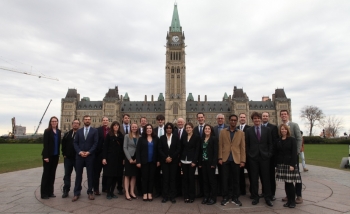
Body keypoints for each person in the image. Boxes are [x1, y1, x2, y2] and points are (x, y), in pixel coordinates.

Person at [245, 112, 273, 207]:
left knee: (265, 178)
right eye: (255, 119)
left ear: (260, 119)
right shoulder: (249, 130)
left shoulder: (267, 130)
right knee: (254, 178)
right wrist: (249, 155)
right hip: (253, 158)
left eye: (258, 118)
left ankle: (267, 197)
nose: (256, 120)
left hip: (264, 157)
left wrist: (269, 154)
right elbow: (247, 144)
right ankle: (255, 197)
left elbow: (270, 143)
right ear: (252, 120)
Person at [218, 114, 245, 206]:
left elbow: (242, 148)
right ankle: (225, 197)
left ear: (236, 121)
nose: (233, 122)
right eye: (231, 120)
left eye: (234, 120)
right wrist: (220, 157)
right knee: (225, 179)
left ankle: (235, 197)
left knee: (236, 180)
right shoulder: (223, 132)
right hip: (225, 159)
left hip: (236, 159)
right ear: (229, 121)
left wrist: (242, 161)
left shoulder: (241, 133)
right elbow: (220, 145)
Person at [72, 115, 98, 202]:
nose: (87, 120)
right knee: (78, 175)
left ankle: (90, 192)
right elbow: (75, 143)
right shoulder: (79, 131)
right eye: (86, 119)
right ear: (83, 121)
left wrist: (89, 152)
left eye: (88, 119)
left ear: (90, 121)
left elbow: (95, 143)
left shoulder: (94, 131)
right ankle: (76, 193)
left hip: (90, 156)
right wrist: (80, 152)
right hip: (80, 156)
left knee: (90, 175)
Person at [275, 124, 302, 208]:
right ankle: (288, 201)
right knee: (286, 183)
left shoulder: (292, 140)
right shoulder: (278, 140)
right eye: (282, 129)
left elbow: (294, 153)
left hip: (289, 164)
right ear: (280, 131)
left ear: (287, 130)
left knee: (290, 184)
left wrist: (292, 164)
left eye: (285, 129)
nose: (283, 130)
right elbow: (277, 153)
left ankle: (292, 201)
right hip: (282, 164)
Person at [280, 110, 303, 204]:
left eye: (285, 114)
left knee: (296, 176)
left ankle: (299, 195)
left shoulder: (294, 125)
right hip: (285, 156)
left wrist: (297, 151)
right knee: (287, 175)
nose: (283, 116)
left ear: (288, 115)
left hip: (293, 155)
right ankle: (289, 194)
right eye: (282, 114)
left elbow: (299, 138)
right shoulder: (280, 126)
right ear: (280, 116)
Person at [136, 124, 160, 201]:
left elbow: (158, 151)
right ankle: (144, 193)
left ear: (152, 130)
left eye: (150, 128)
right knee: (145, 178)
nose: (149, 130)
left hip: (153, 161)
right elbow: (138, 151)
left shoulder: (156, 139)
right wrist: (138, 161)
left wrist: (158, 160)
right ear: (145, 130)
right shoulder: (141, 139)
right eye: (147, 128)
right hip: (144, 162)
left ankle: (150, 193)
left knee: (151, 178)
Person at [158, 122, 181, 203]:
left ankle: (172, 196)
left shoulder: (176, 138)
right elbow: (159, 149)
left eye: (170, 128)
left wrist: (171, 157)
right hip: (164, 161)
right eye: (167, 128)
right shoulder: (161, 138)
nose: (168, 129)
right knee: (165, 179)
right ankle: (165, 196)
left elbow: (178, 149)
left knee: (172, 179)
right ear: (165, 129)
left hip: (173, 161)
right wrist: (165, 158)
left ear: (172, 129)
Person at [102, 121, 125, 199]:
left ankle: (112, 192)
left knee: (116, 176)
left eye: (117, 125)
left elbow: (123, 148)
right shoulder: (109, 135)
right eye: (114, 125)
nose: (116, 127)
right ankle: (108, 192)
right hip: (110, 158)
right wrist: (104, 158)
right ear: (112, 127)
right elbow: (105, 147)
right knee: (110, 176)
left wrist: (123, 158)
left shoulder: (121, 136)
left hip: (118, 159)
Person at [40, 116, 61, 199]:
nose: (54, 122)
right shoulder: (47, 131)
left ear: (57, 122)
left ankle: (50, 192)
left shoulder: (58, 131)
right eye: (53, 121)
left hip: (55, 156)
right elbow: (45, 144)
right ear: (50, 122)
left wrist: (58, 155)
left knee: (52, 174)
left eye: (55, 121)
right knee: (46, 175)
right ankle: (44, 193)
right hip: (48, 156)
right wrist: (46, 156)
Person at [180, 122, 200, 203]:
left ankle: (192, 196)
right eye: (187, 128)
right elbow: (181, 148)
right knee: (185, 179)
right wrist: (180, 160)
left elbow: (197, 150)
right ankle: (186, 196)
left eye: (189, 127)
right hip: (183, 160)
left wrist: (194, 161)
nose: (188, 129)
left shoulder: (196, 137)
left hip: (191, 161)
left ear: (192, 128)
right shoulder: (183, 136)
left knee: (191, 179)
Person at [261, 112, 279, 201]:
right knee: (263, 175)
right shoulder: (259, 127)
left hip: (270, 156)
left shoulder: (273, 127)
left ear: (269, 117)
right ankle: (264, 192)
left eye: (266, 116)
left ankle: (272, 193)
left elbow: (274, 142)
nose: (265, 117)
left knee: (271, 176)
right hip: (261, 156)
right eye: (263, 116)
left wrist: (270, 153)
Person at [198, 124, 218, 205]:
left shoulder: (214, 139)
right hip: (203, 162)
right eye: (205, 129)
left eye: (208, 129)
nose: (207, 130)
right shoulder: (202, 139)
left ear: (211, 130)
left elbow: (215, 152)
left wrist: (214, 163)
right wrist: (199, 163)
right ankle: (206, 196)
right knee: (205, 180)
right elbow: (200, 152)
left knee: (212, 181)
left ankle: (213, 197)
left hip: (210, 163)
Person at [61, 119, 80, 198]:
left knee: (78, 175)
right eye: (74, 123)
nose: (75, 125)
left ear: (79, 125)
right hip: (68, 158)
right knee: (67, 175)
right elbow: (63, 145)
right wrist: (64, 154)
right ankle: (66, 190)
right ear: (72, 124)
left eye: (77, 123)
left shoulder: (81, 134)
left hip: (77, 158)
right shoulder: (67, 134)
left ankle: (77, 190)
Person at [123, 123, 140, 201]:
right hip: (129, 157)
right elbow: (125, 147)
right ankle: (127, 192)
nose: (134, 128)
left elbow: (140, 149)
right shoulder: (127, 136)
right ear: (130, 128)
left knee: (134, 175)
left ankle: (132, 192)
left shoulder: (139, 137)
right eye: (133, 127)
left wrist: (137, 158)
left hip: (136, 158)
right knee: (127, 175)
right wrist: (129, 158)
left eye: (135, 127)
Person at [213, 114, 228, 196]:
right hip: (215, 154)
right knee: (213, 175)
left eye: (221, 118)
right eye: (218, 118)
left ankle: (224, 192)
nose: (220, 120)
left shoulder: (228, 128)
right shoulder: (213, 129)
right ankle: (216, 191)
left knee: (224, 174)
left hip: (224, 155)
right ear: (216, 119)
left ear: (224, 119)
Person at [94, 117, 109, 195]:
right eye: (104, 120)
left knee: (106, 172)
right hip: (99, 154)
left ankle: (105, 188)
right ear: (102, 121)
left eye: (106, 120)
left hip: (107, 154)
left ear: (108, 121)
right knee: (97, 172)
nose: (105, 122)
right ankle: (96, 188)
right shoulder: (97, 130)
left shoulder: (110, 130)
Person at [237, 113, 250, 196]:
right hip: (238, 154)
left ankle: (252, 191)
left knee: (251, 173)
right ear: (239, 118)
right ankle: (241, 190)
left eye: (243, 117)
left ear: (246, 118)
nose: (242, 118)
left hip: (248, 154)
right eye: (241, 117)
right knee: (239, 173)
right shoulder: (236, 128)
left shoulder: (250, 128)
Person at [193, 112, 205, 198]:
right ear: (197, 118)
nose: (200, 119)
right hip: (197, 155)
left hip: (206, 155)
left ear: (204, 118)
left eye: (201, 117)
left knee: (207, 176)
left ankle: (207, 193)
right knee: (200, 175)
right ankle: (201, 192)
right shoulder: (195, 129)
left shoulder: (208, 128)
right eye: (199, 117)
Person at [153, 114, 165, 198]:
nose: (160, 121)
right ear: (157, 121)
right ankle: (158, 191)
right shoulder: (154, 130)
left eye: (161, 120)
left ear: (164, 120)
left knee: (166, 175)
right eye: (159, 120)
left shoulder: (168, 129)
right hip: (156, 155)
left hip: (165, 156)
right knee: (156, 175)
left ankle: (165, 191)